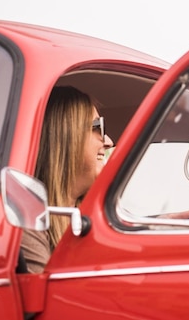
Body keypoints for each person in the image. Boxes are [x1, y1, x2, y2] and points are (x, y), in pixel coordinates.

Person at [20, 85, 114, 273]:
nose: (109, 141)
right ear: (67, 136)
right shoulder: (27, 223)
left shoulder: (97, 216)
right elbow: (47, 296)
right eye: (98, 127)